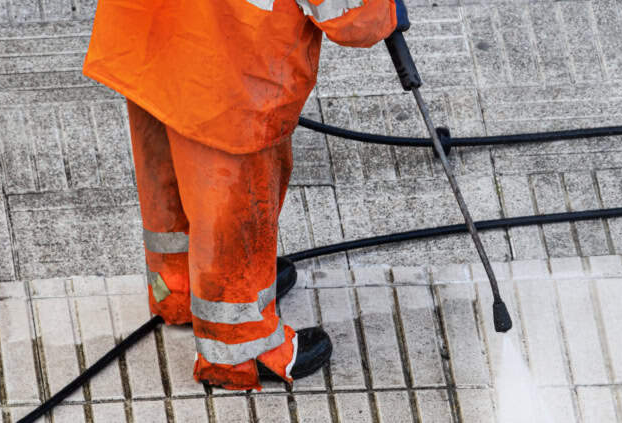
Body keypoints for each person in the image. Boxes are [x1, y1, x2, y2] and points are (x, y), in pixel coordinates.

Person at [82, 0, 397, 390]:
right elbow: (352, 17)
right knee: (231, 203)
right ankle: (240, 344)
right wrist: (384, 11)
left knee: (165, 157)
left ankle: (177, 289)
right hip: (232, 64)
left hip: (149, 32)